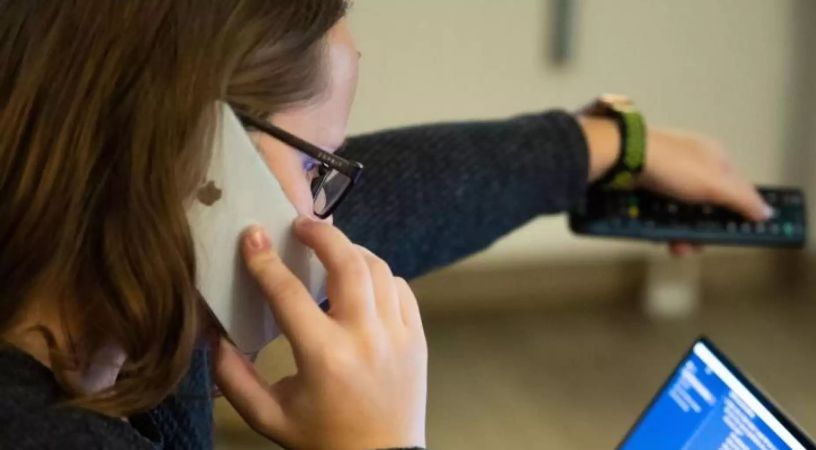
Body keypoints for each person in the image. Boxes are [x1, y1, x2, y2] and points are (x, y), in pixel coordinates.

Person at [0, 1, 771, 449]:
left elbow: (398, 200)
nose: (325, 220)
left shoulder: (101, 290)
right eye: (315, 171)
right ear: (194, 162)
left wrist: (601, 146)